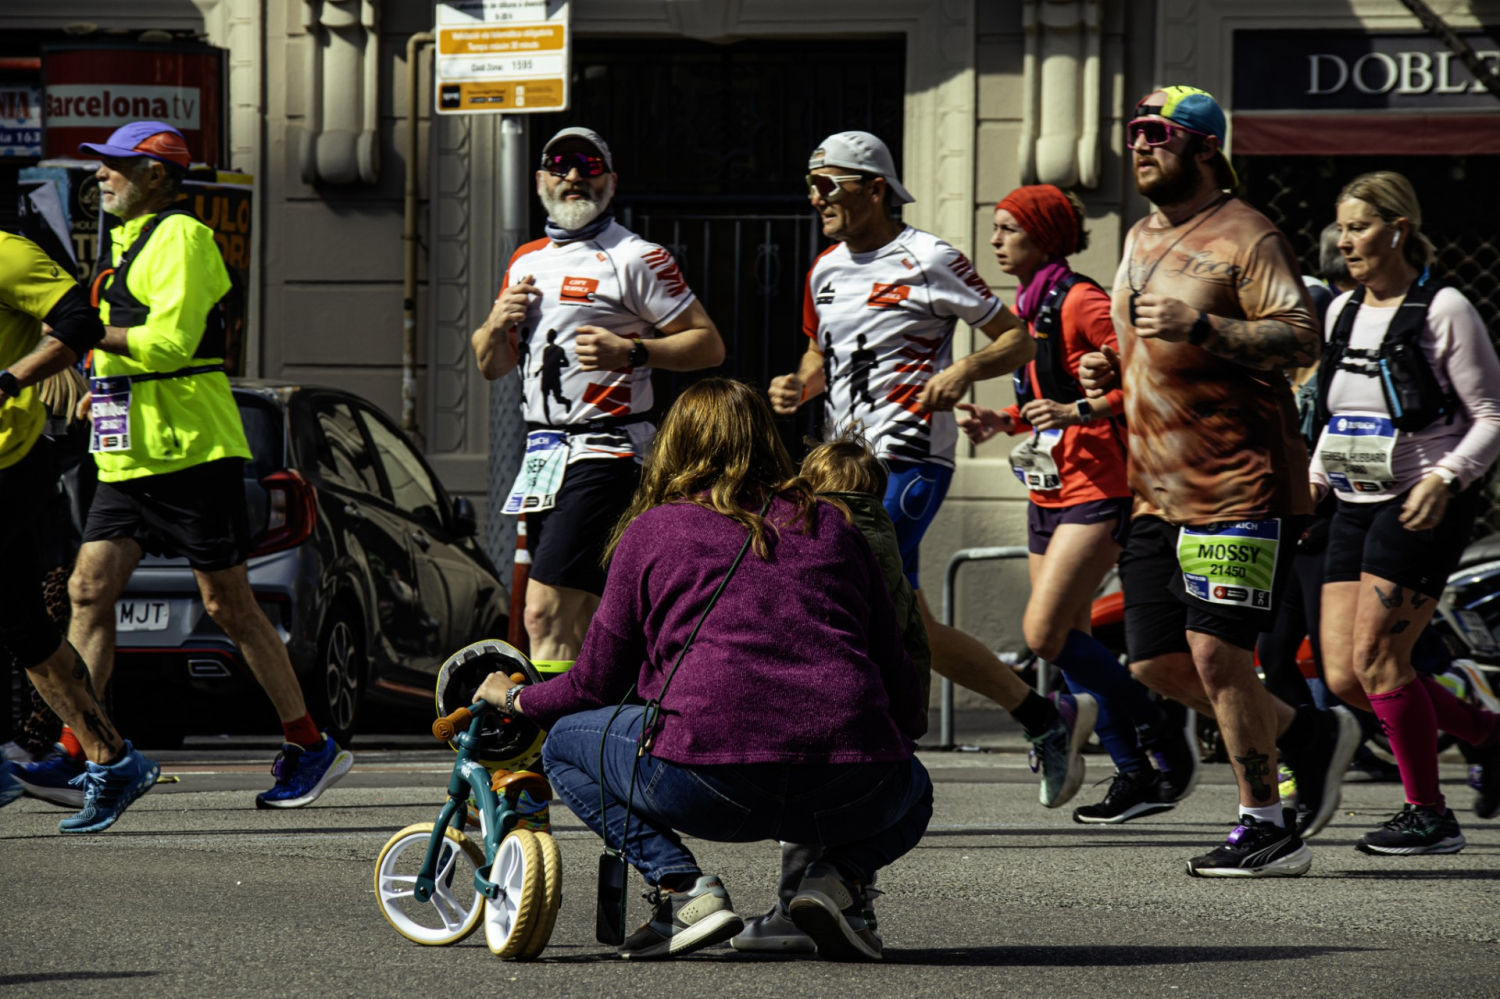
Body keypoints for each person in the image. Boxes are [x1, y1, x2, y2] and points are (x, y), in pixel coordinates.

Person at [474, 379, 932, 962]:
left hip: (706, 784)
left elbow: (594, 684)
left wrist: (515, 701)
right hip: (848, 782)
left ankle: (683, 890)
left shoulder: (653, 530)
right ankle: (835, 881)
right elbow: (892, 659)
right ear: (770, 441)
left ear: (674, 445)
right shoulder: (833, 525)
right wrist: (897, 742)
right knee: (914, 789)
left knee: (566, 745)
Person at [23, 122, 353, 810]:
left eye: (115, 166)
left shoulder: (184, 238)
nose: (100, 177)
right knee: (88, 591)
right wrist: (94, 382)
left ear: (156, 175)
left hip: (190, 450)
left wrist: (96, 336)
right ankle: (79, 749)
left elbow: (171, 343)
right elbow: (117, 338)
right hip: (127, 455)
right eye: (101, 166)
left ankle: (310, 743)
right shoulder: (122, 244)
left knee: (227, 605)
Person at [1077, 86, 1359, 877]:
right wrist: (1107, 372)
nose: (1139, 146)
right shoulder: (1137, 234)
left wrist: (1204, 326)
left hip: (1239, 481)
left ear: (1205, 148)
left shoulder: (1248, 234)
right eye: (1133, 133)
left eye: (1157, 134)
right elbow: (1144, 353)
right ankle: (1307, 733)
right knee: (1155, 661)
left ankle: (1265, 824)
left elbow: (1299, 336)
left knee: (1215, 651)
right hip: (1155, 488)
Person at [767, 130, 1095, 810]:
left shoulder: (928, 257)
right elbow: (817, 355)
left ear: (874, 187)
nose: (815, 198)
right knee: (911, 620)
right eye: (811, 184)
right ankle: (1042, 715)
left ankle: (861, 747)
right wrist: (797, 387)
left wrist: (965, 369)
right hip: (840, 466)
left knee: (841, 589)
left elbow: (1016, 337)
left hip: (909, 458)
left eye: (828, 184)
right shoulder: (824, 269)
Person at [955, 184, 1199, 825]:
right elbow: (1050, 398)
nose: (995, 241)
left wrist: (1074, 408)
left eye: (1008, 229)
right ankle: (1133, 773)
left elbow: (1142, 382)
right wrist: (1000, 422)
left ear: (1044, 235)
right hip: (1048, 488)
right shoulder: (1030, 305)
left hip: (1101, 487)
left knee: (1045, 635)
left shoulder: (1082, 300)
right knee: (1070, 640)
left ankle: (1159, 724)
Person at [471, 126, 725, 678]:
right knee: (584, 617)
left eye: (588, 165)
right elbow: (491, 364)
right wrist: (497, 323)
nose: (573, 176)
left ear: (611, 181)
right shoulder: (526, 260)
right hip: (543, 457)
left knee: (543, 611)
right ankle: (594, 743)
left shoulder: (636, 257)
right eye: (559, 165)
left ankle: (545, 744)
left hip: (607, 452)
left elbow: (708, 344)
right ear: (540, 180)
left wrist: (633, 351)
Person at [1311, 171, 1500, 854]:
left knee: (1380, 657)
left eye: (1359, 226)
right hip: (1351, 499)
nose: (1345, 240)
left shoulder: (1445, 308)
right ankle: (1485, 733)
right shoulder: (1339, 312)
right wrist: (1314, 474)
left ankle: (1429, 813)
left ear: (1398, 230)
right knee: (1341, 673)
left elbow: (1490, 416)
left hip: (1421, 501)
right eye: (1341, 226)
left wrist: (1447, 477)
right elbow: (1339, 412)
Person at [732, 430, 930, 955]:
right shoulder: (887, 538)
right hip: (879, 709)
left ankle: (790, 910)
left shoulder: (807, 533)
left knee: (809, 818)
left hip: (813, 699)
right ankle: (847, 899)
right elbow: (911, 635)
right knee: (863, 804)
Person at [0, 229, 158, 831]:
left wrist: (10, 381)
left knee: (50, 607)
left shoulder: (9, 253)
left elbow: (79, 323)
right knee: (24, 625)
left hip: (12, 464)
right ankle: (112, 757)